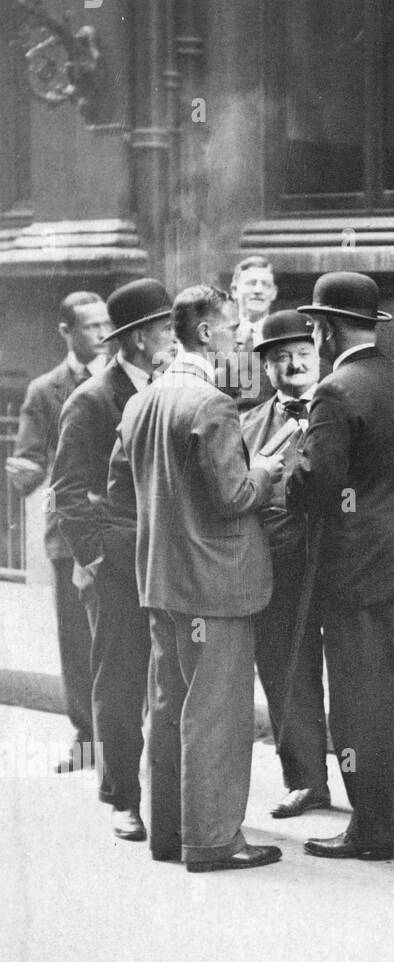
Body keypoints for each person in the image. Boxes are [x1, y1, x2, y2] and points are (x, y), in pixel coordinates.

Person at [110, 284, 282, 872]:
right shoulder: (211, 403)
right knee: (216, 714)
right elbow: (234, 495)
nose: (240, 338)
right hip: (217, 585)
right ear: (206, 334)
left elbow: (118, 490)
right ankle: (212, 840)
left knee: (169, 705)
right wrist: (263, 470)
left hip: (162, 580)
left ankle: (170, 833)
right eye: (232, 329)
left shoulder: (144, 401)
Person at [288, 272, 394, 860]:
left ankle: (371, 829)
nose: (313, 336)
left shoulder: (333, 391)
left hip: (363, 572)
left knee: (361, 699)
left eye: (314, 327)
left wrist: (287, 467)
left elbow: (320, 485)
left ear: (328, 328)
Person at [51, 279, 173, 842]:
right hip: (118, 567)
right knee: (119, 681)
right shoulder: (93, 399)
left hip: (166, 562)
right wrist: (95, 559)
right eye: (166, 328)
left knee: (167, 683)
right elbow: (68, 492)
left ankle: (171, 791)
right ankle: (123, 797)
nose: (174, 337)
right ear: (141, 338)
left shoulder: (167, 387)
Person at [7, 291, 109, 774]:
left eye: (106, 324)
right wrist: (24, 471)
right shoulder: (45, 390)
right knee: (76, 639)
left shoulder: (123, 382)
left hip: (120, 529)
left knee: (125, 635)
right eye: (91, 326)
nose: (102, 334)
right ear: (66, 331)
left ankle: (127, 734)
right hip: (70, 535)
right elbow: (28, 462)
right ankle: (88, 736)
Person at [239, 311, 331, 819]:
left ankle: (370, 787)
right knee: (285, 668)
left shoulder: (339, 408)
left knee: (353, 669)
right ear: (265, 368)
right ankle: (306, 780)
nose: (293, 364)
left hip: (340, 558)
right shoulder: (247, 423)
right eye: (280, 358)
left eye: (302, 354)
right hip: (276, 561)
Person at [230, 256, 278, 408]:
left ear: (274, 293)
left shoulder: (282, 335)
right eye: (251, 283)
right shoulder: (220, 336)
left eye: (265, 285)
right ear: (234, 290)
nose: (258, 290)